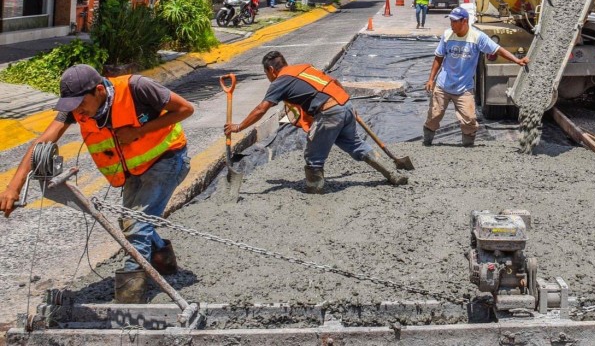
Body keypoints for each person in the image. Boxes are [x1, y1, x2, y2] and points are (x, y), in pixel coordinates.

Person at [0, 65, 194, 304]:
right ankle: (164, 262)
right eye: (73, 107)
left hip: (168, 159)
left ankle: (130, 301)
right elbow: (42, 143)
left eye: (81, 104)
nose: (79, 112)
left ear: (99, 91)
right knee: (130, 223)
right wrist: (14, 187)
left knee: (136, 225)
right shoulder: (77, 110)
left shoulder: (137, 88)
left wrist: (139, 131)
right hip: (135, 170)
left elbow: (186, 109)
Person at [224, 51, 408, 194]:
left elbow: (261, 109)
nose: (269, 78)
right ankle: (391, 174)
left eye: (267, 74)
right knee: (356, 144)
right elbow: (333, 81)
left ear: (271, 70)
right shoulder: (304, 68)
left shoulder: (280, 81)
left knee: (313, 157)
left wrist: (238, 127)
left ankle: (315, 192)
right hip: (345, 103)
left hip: (329, 113)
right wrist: (345, 103)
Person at [423, 7, 529, 147]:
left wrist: (516, 60)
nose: (451, 24)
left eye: (454, 21)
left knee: (469, 119)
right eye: (451, 21)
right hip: (443, 85)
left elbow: (497, 49)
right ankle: (427, 143)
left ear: (464, 21)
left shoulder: (477, 37)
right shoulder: (447, 35)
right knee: (434, 116)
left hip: (464, 88)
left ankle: (468, 147)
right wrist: (431, 79)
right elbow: (438, 58)